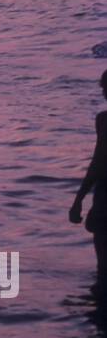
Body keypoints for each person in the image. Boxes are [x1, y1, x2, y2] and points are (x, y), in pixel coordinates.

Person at [69, 70, 107, 295]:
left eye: (105, 88)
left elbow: (98, 162)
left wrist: (78, 199)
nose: (103, 92)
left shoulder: (104, 121)